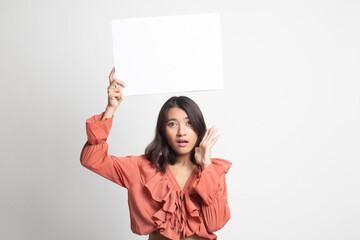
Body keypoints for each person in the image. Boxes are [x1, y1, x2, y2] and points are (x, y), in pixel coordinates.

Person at [80, 67, 232, 240]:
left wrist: (206, 165)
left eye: (189, 123)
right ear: (163, 130)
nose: (181, 132)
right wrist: (111, 108)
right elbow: (92, 159)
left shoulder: (213, 171)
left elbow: (215, 223)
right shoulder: (141, 168)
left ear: (199, 127)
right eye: (172, 124)